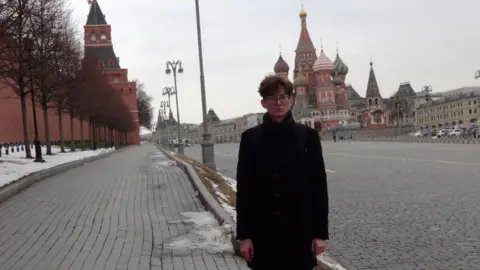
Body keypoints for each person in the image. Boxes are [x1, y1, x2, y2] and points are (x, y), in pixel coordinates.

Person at [236, 75, 329, 270]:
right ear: (263, 103)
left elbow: (318, 187)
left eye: (283, 97)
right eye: (272, 98)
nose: (278, 103)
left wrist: (319, 234)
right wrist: (244, 236)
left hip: (299, 233)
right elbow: (244, 190)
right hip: (263, 234)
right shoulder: (250, 139)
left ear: (291, 100)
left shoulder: (308, 137)